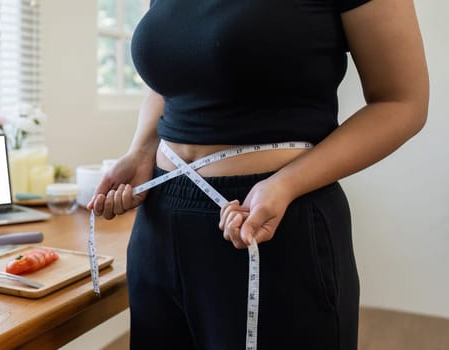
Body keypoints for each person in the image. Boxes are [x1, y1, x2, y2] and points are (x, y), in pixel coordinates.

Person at [88, 0, 429, 349]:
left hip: (273, 224)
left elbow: (401, 102)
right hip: (159, 223)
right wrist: (141, 149)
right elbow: (174, 73)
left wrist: (285, 184)